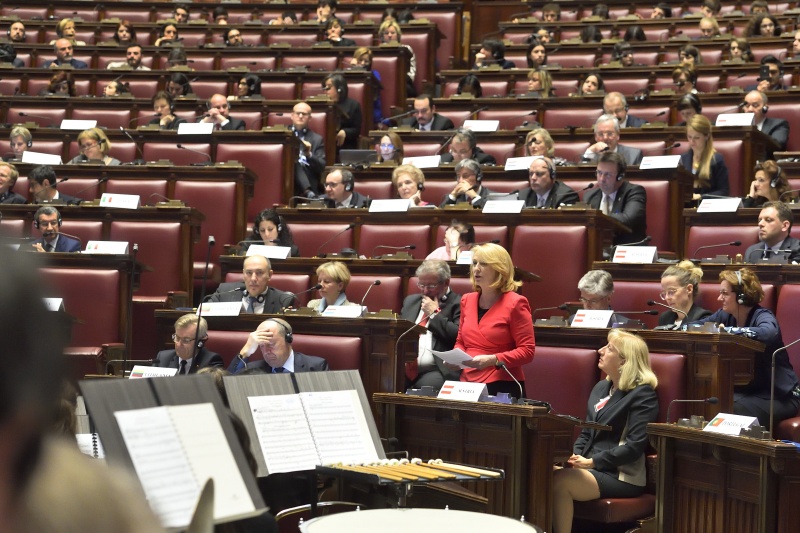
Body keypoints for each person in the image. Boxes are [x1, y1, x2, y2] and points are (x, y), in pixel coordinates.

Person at [552, 329, 659, 533]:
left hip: (621, 475)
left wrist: (593, 462)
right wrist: (575, 457)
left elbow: (635, 446)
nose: (600, 351)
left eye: (609, 348)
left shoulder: (643, 395)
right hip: (591, 468)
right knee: (540, 473)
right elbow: (586, 431)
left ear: (624, 361)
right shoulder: (601, 387)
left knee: (561, 481)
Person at [687, 269, 800, 426]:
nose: (719, 298)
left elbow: (768, 333)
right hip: (749, 393)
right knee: (708, 400)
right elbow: (695, 325)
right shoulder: (724, 316)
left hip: (780, 396)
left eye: (725, 293)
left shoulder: (763, 316)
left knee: (730, 406)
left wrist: (728, 332)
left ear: (741, 295)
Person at [452, 243, 535, 397]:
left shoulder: (515, 303)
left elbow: (527, 351)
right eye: (474, 263)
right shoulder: (467, 300)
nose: (476, 268)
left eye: (483, 264)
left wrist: (493, 359)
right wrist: (456, 358)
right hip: (467, 383)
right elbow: (461, 342)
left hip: (502, 384)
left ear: (500, 269)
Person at [401, 260, 462, 389]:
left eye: (431, 286)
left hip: (437, 369)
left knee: (424, 391)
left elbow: (457, 335)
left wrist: (434, 314)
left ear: (446, 282)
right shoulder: (411, 301)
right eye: (421, 285)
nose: (425, 291)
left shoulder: (459, 303)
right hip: (404, 367)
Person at [584, 152, 648, 245]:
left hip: (627, 250)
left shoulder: (634, 192)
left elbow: (627, 220)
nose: (602, 179)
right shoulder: (590, 195)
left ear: (620, 177)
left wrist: (596, 217)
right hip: (597, 249)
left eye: (608, 175)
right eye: (599, 173)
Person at [228, 318, 329, 374]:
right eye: (262, 346)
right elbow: (227, 385)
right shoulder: (253, 369)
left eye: (271, 344)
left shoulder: (316, 367)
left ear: (288, 340)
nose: (266, 351)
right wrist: (246, 351)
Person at [207, 254, 291, 312]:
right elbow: (204, 314)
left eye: (259, 273)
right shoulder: (224, 292)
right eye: (249, 273)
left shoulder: (282, 300)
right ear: (243, 274)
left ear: (269, 275)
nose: (253, 278)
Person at [679, 114, 730, 201]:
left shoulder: (716, 160)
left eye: (697, 138)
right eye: (689, 137)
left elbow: (724, 191)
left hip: (707, 208)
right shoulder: (682, 159)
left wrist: (701, 197)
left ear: (706, 136)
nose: (692, 141)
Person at [153, 314, 224, 374]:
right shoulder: (162, 358)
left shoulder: (211, 361)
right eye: (177, 338)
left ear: (200, 342)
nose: (178, 344)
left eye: (186, 340)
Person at [657, 261, 712, 328]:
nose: (667, 297)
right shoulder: (665, 318)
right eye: (664, 293)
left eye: (671, 292)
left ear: (689, 289)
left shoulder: (703, 318)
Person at [290, 101, 326, 198]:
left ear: (309, 118)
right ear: (292, 116)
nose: (300, 116)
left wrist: (309, 154)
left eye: (304, 114)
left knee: (296, 162)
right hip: (286, 176)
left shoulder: (317, 139)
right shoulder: (283, 135)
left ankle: (308, 191)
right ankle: (308, 192)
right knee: (294, 160)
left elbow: (321, 167)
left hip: (309, 177)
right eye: (298, 113)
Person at [323, 74, 362, 149]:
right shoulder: (322, 105)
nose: (325, 90)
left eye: (329, 87)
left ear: (339, 89)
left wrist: (345, 132)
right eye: (325, 87)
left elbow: (357, 130)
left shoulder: (353, 105)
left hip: (345, 145)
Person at [378, 19, 417, 93]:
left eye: (392, 33)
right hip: (383, 81)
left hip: (403, 82)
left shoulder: (406, 49)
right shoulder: (378, 50)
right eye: (386, 33)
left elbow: (412, 73)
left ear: (398, 35)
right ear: (382, 36)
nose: (389, 35)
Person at [351, 47, 382, 126]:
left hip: (371, 112)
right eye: (360, 60)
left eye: (366, 61)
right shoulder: (347, 74)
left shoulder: (374, 75)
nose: (362, 63)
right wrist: (353, 68)